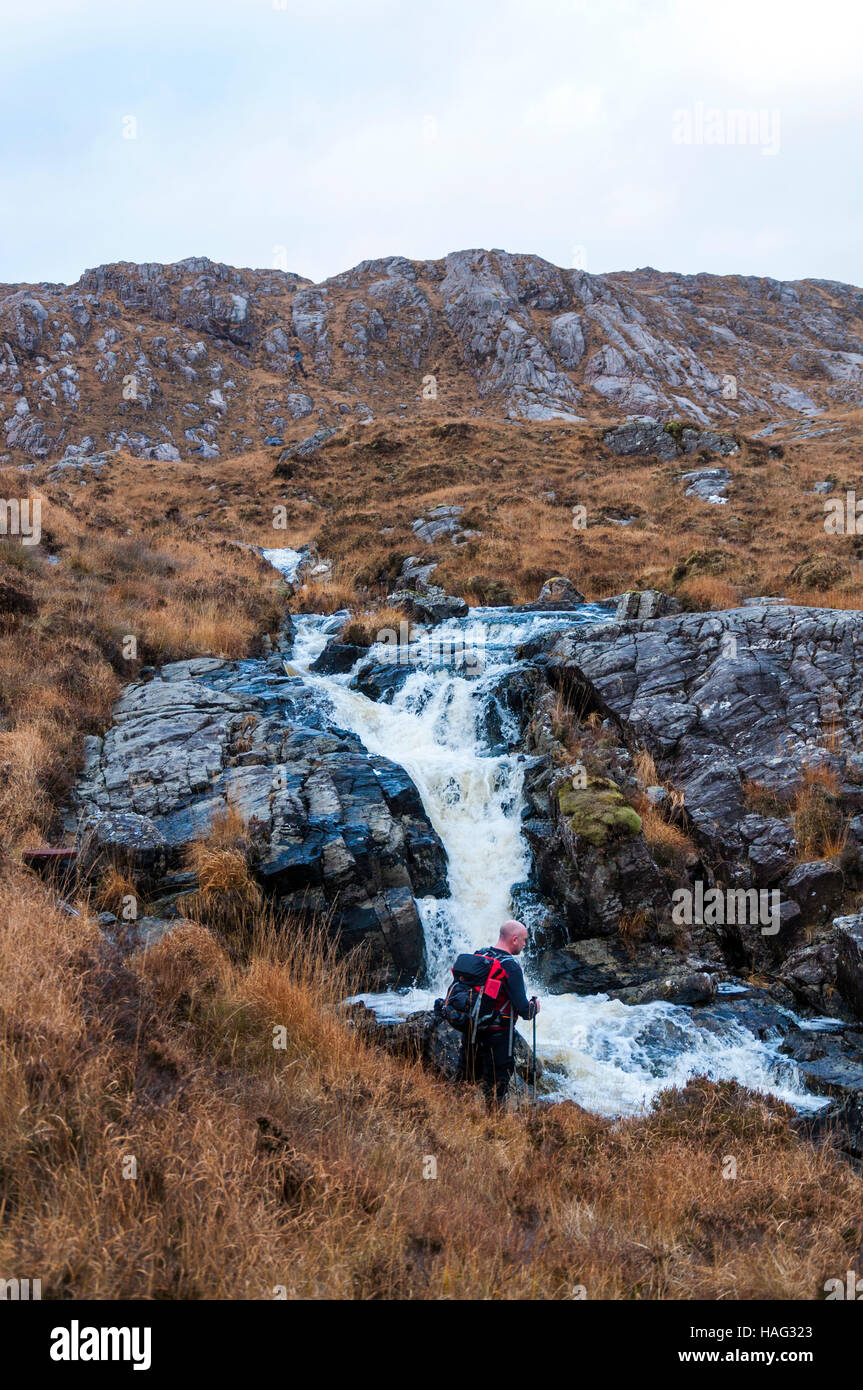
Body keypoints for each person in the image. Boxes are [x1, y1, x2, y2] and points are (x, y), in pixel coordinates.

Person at [455, 919, 540, 1107]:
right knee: (497, 1084)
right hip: (499, 1033)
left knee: (466, 1077)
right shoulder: (510, 966)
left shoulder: (480, 955)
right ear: (515, 939)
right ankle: (495, 1127)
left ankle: (458, 1116)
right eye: (524, 940)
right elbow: (524, 1010)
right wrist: (535, 1007)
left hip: (472, 1027)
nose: (525, 944)